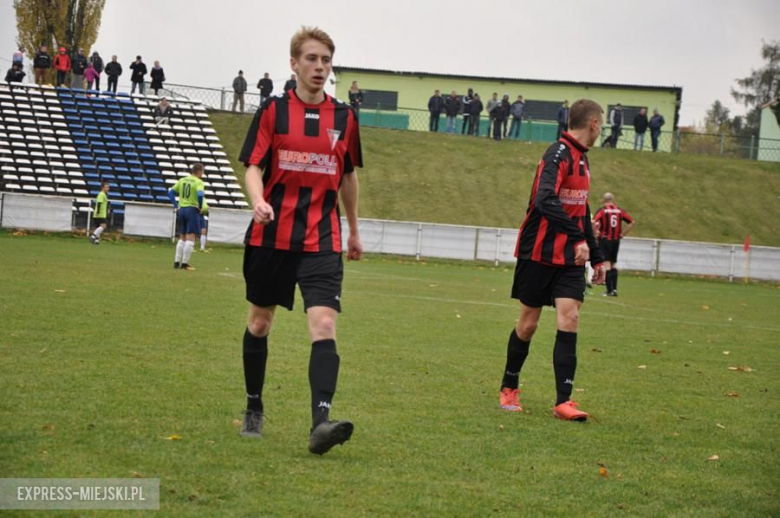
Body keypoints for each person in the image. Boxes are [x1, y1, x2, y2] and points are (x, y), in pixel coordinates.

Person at [237, 26, 363, 455]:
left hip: (322, 238)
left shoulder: (345, 118)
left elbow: (348, 176)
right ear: (294, 63)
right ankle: (254, 405)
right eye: (311, 59)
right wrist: (258, 201)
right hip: (271, 234)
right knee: (260, 323)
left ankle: (320, 423)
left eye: (326, 61)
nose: (320, 67)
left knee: (325, 324)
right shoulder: (273, 111)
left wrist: (354, 230)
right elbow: (253, 166)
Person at [498, 99, 606, 422]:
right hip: (539, 252)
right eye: (602, 124)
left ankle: (564, 401)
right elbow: (545, 199)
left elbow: (582, 211)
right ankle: (509, 386)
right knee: (528, 325)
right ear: (593, 124)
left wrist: (597, 256)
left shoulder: (584, 162)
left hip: (570, 260)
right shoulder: (556, 154)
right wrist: (576, 238)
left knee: (569, 317)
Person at [592, 193, 634, 297]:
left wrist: (595, 233)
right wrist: (622, 234)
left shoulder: (602, 211)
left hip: (605, 240)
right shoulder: (619, 211)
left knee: (606, 264)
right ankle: (614, 289)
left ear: (603, 200)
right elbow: (631, 222)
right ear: (613, 199)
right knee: (613, 264)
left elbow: (593, 221)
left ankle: (609, 290)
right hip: (616, 240)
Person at [168, 163, 205, 271]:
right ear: (199, 171)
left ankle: (176, 262)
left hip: (182, 209)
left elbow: (170, 193)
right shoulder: (198, 182)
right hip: (191, 210)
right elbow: (200, 194)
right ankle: (184, 264)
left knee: (182, 236)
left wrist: (176, 206)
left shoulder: (182, 180)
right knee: (190, 237)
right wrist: (199, 205)